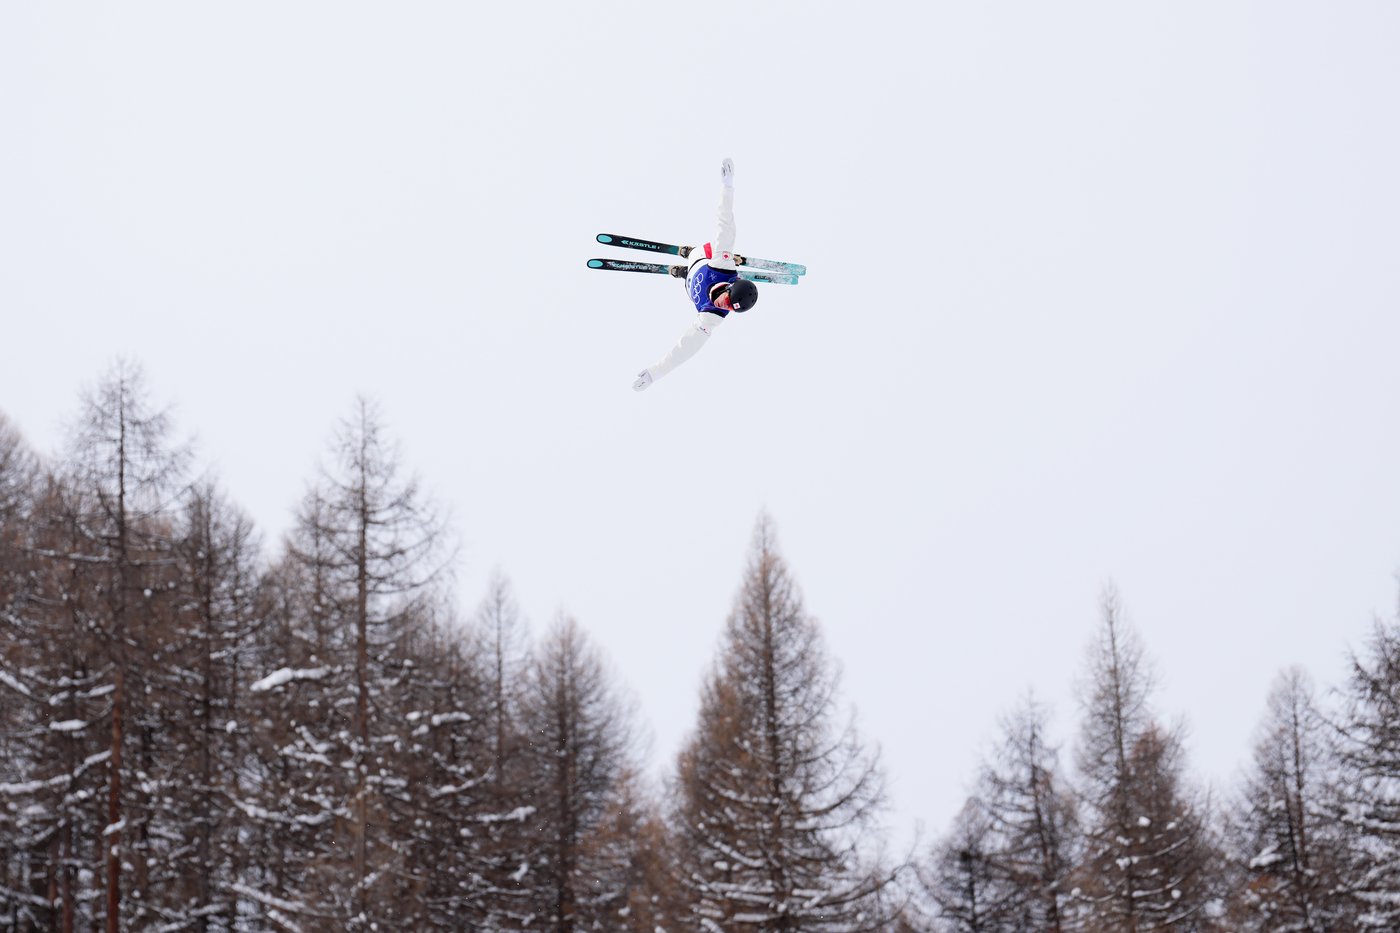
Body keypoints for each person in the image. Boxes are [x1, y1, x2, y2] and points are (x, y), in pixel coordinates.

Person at [632, 158, 759, 391]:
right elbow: (725, 223)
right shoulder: (723, 266)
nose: (725, 305)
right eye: (729, 300)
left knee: (694, 290)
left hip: (691, 284)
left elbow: (684, 349)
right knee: (721, 247)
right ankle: (687, 254)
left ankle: (681, 273)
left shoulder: (712, 317)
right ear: (731, 287)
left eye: (730, 308)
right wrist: (727, 187)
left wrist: (654, 374)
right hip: (702, 257)